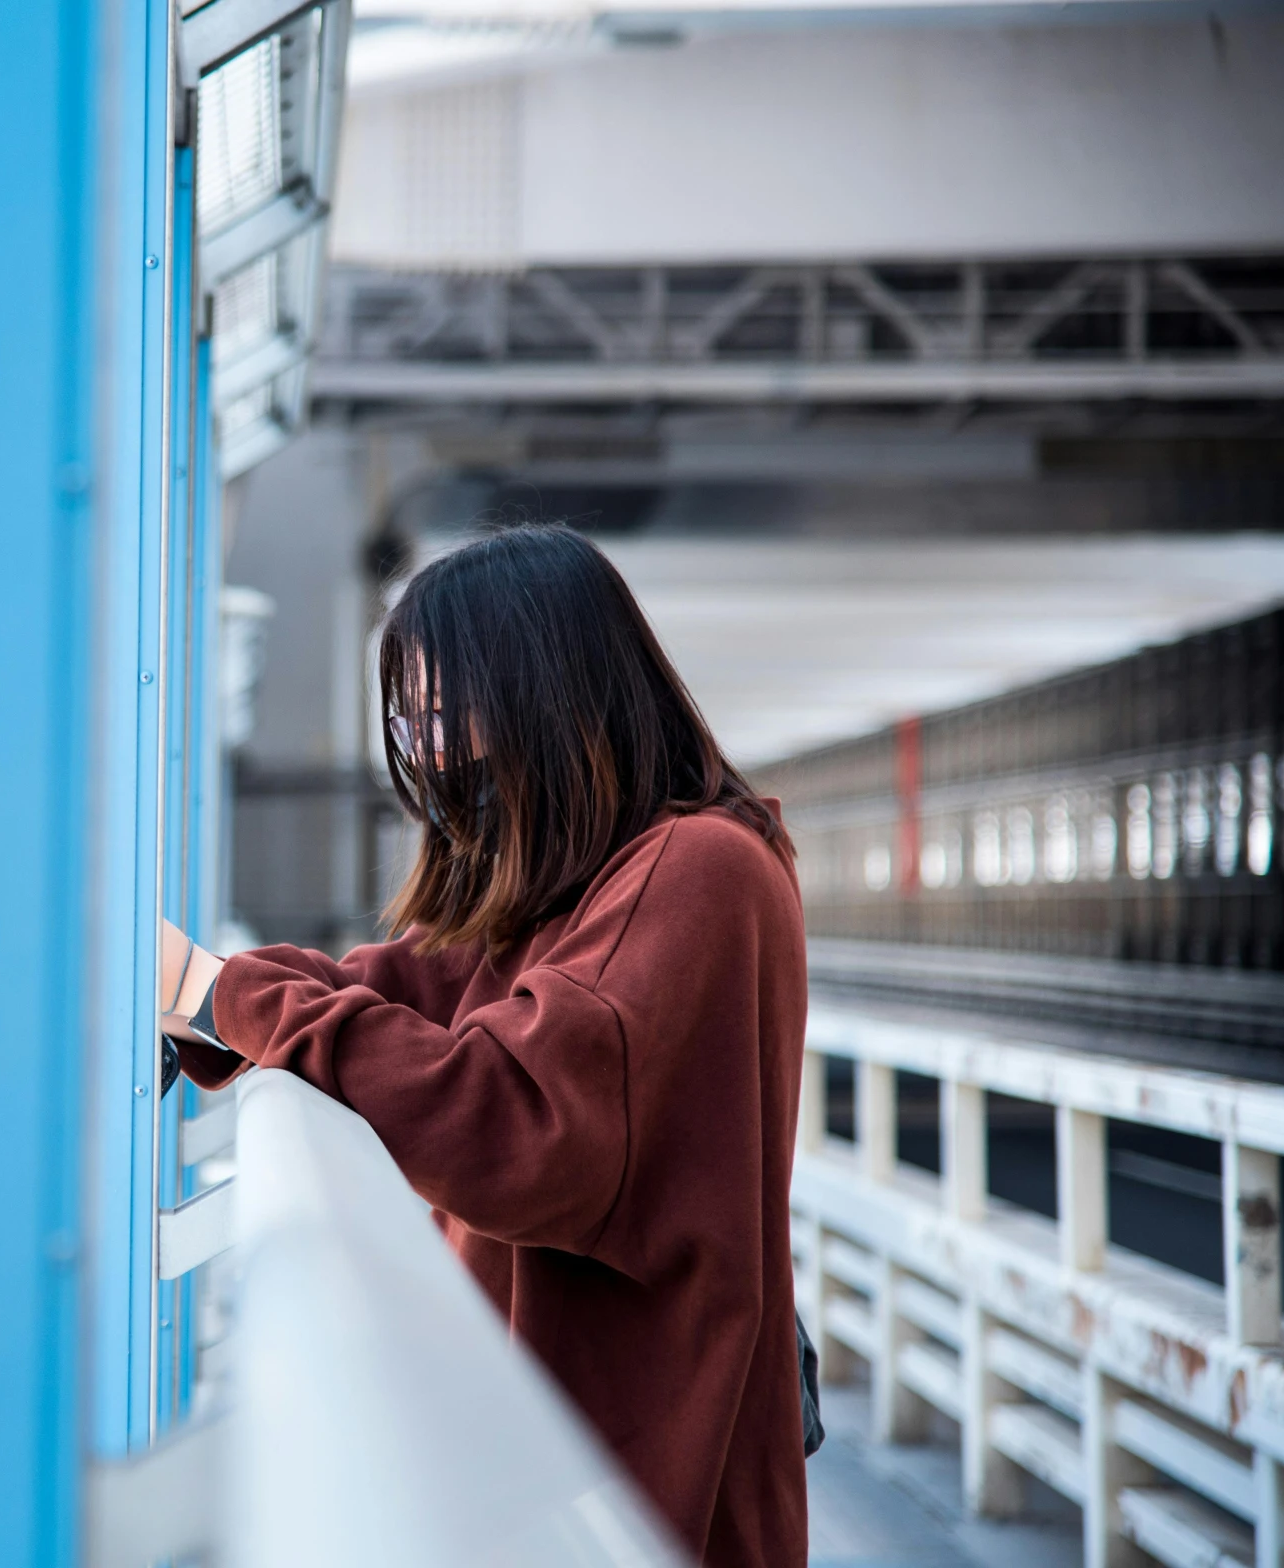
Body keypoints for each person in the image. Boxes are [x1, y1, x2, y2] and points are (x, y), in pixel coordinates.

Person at [160, 524, 809, 1568]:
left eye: (440, 704)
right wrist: (213, 1006)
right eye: (411, 711)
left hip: (640, 1483)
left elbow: (511, 1116)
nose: (425, 742)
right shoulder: (574, 887)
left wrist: (214, 989)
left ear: (540, 688)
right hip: (563, 1456)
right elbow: (400, 983)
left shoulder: (698, 871)